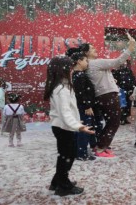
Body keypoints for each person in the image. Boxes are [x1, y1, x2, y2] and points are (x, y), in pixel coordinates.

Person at [44, 56, 95, 196]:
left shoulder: (63, 86)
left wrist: (77, 124)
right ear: (63, 70)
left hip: (64, 127)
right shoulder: (61, 89)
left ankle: (57, 182)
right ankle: (63, 186)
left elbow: (68, 111)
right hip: (63, 127)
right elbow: (64, 112)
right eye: (70, 68)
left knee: (65, 156)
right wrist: (78, 126)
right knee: (68, 156)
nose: (72, 70)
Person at [81, 33, 136, 157]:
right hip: (107, 95)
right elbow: (118, 62)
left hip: (102, 95)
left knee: (110, 121)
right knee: (114, 121)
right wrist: (130, 49)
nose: (95, 49)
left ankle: (101, 145)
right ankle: (100, 147)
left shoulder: (90, 65)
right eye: (92, 48)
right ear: (86, 53)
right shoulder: (95, 63)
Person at [70, 52, 100, 161]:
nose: (87, 63)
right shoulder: (79, 75)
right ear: (79, 61)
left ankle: (79, 151)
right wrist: (87, 106)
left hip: (81, 106)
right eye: (85, 60)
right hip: (83, 107)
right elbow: (80, 93)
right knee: (84, 129)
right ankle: (81, 153)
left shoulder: (76, 74)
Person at [112, 60, 136, 125]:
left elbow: (133, 80)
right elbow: (114, 81)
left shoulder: (129, 71)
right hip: (121, 90)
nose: (124, 63)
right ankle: (121, 119)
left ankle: (126, 118)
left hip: (129, 90)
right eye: (122, 62)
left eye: (125, 62)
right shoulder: (116, 71)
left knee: (128, 105)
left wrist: (134, 87)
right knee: (122, 105)